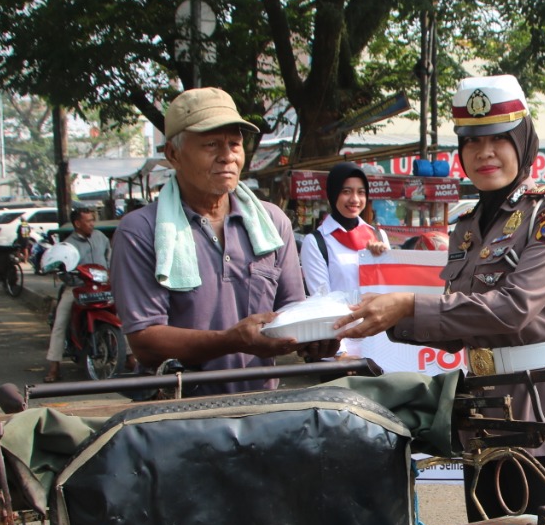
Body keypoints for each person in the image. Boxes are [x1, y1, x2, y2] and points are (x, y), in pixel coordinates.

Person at [334, 74, 545, 525]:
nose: (484, 153)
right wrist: (374, 322)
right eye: (471, 141)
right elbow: (460, 321)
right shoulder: (466, 227)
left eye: (499, 138)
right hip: (482, 412)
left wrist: (407, 306)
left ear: (523, 141)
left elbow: (510, 309)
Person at [110, 87, 332, 395]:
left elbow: (290, 310)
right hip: (176, 411)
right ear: (173, 154)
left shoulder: (271, 222)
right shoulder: (141, 231)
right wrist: (231, 340)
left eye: (234, 143)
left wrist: (316, 337)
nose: (227, 156)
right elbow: (145, 342)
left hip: (261, 405)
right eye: (211, 144)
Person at [300, 162, 390, 357]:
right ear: (333, 194)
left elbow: (390, 293)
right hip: (341, 348)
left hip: (381, 347)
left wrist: (383, 260)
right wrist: (340, 353)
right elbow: (322, 302)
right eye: (346, 191)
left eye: (361, 192)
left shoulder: (379, 236)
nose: (355, 199)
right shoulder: (316, 241)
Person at [44, 208, 123, 382]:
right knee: (60, 322)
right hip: (77, 289)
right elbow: (62, 270)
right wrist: (71, 277)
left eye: (92, 220)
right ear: (77, 224)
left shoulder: (100, 238)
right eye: (88, 221)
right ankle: (54, 366)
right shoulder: (68, 245)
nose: (92, 224)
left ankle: (130, 357)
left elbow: (110, 259)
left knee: (125, 315)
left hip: (102, 288)